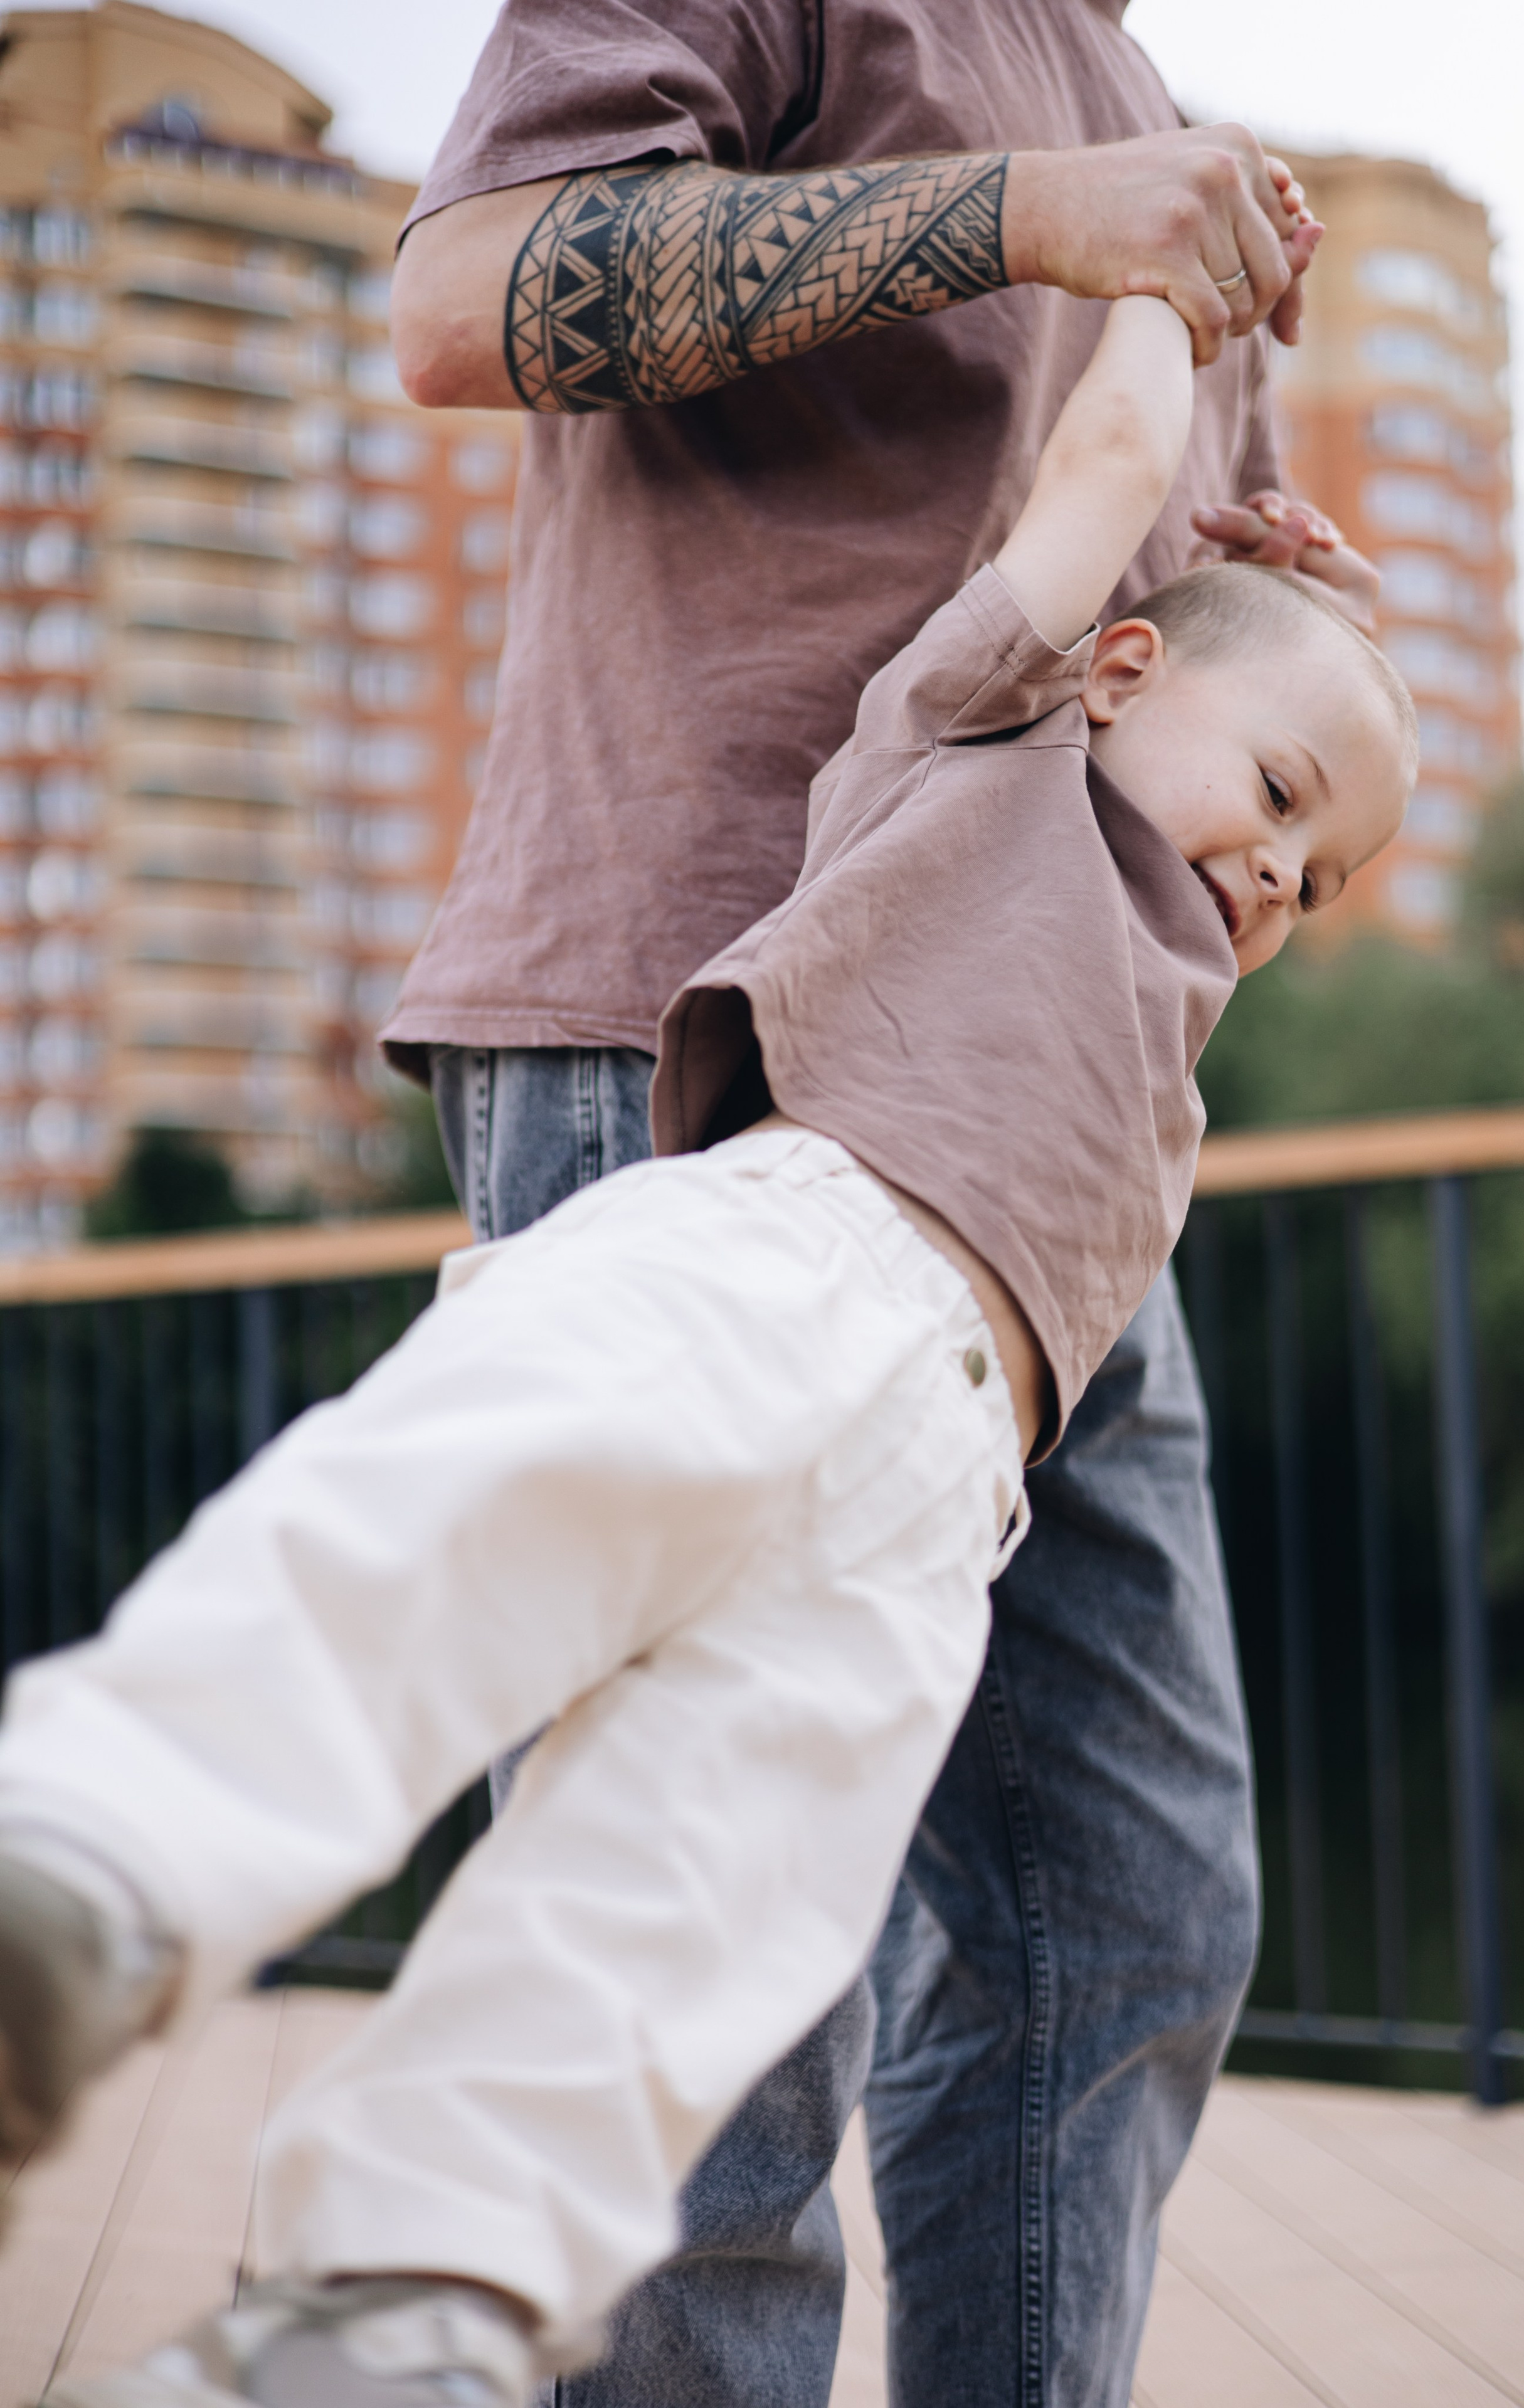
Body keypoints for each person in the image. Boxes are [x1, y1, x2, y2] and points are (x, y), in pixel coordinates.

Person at [0, 285, 1414, 2408]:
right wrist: (1155, 285)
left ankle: (411, 2292)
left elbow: (1253, 647)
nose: (1280, 871)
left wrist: (1305, 618)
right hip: (776, 1256)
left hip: (942, 1502)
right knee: (452, 1522)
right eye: (1281, 791)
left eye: (1321, 873)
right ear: (1117, 670)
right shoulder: (989, 744)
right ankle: (88, 1868)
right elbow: (1113, 466)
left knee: (699, 1898)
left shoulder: (1170, 1022)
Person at [378, 11, 1384, 2405]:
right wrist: (1033, 216)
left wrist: (1279, 601)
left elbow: (1158, 589)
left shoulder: (1172, 123)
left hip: (1048, 1145)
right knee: (710, 1966)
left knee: (1128, 1906)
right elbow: (460, 300)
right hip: (696, 1027)